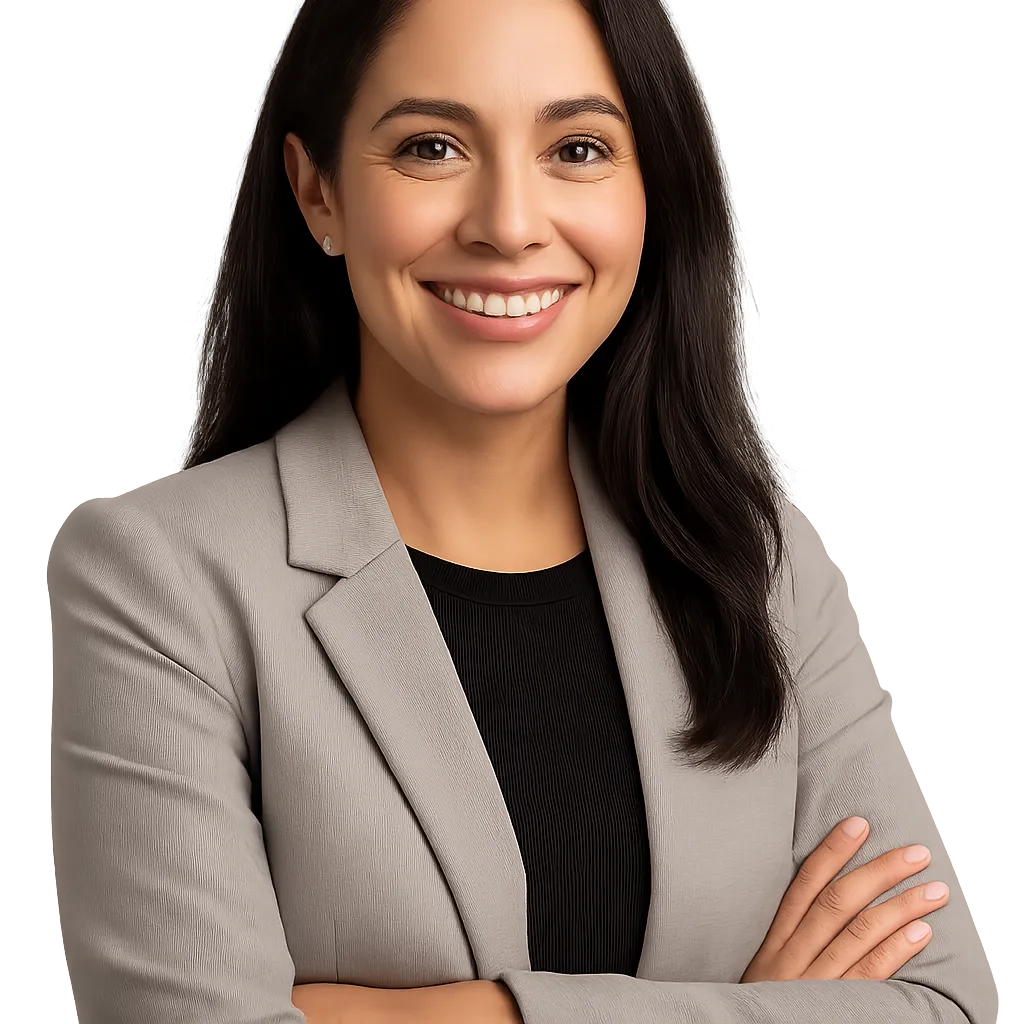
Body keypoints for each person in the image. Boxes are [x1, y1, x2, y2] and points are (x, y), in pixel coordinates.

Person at [46, 0, 997, 1021]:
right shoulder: (156, 578)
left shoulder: (763, 568)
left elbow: (948, 1008)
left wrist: (447, 1013)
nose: (506, 223)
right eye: (431, 146)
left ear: (650, 191)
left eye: (578, 147)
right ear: (317, 192)